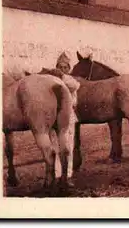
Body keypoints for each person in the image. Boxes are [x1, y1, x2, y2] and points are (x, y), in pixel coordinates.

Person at [52, 52, 80, 183]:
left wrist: (61, 76)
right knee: (55, 146)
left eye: (65, 67)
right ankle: (57, 175)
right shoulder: (51, 80)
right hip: (54, 118)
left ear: (69, 69)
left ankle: (67, 175)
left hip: (68, 117)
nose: (62, 69)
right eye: (60, 67)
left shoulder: (70, 80)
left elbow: (75, 86)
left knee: (68, 146)